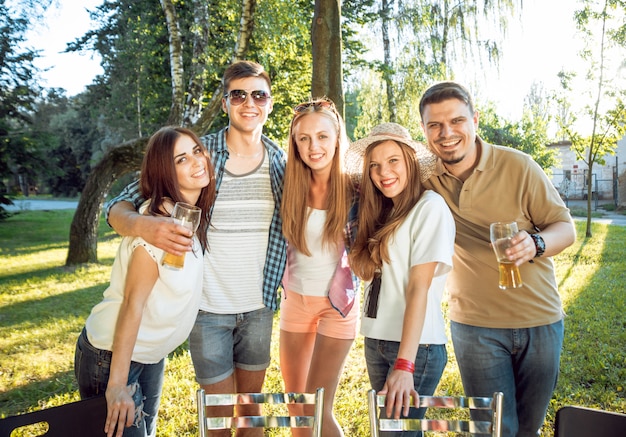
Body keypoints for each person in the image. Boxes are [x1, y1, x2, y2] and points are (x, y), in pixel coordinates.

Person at [105, 60, 287, 437]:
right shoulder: (201, 156)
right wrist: (143, 225)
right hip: (207, 312)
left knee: (251, 419)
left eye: (258, 95)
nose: (248, 102)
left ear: (270, 103)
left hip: (259, 307)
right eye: (238, 94)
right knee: (219, 422)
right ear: (225, 103)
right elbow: (119, 204)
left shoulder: (281, 163)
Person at [418, 81, 576, 437]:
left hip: (540, 320)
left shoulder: (519, 166)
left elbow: (564, 228)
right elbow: (378, 179)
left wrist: (535, 243)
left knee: (528, 428)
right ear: (425, 131)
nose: (447, 133)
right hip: (475, 326)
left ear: (475, 120)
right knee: (493, 429)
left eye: (457, 121)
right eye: (435, 125)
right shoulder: (424, 175)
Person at [74, 126, 216, 437]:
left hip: (149, 354)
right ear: (165, 172)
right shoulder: (159, 227)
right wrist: (116, 385)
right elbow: (133, 304)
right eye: (181, 159)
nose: (196, 161)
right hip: (111, 358)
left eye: (196, 151)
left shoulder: (188, 217)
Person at [346, 123, 455, 436]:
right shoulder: (385, 212)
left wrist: (405, 365)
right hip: (377, 340)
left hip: (413, 349)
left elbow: (418, 289)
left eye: (393, 160)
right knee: (388, 432)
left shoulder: (429, 208)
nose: (383, 172)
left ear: (410, 161)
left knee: (399, 434)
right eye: (375, 165)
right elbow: (368, 274)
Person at [279, 98, 359, 437]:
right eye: (304, 139)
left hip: (336, 307)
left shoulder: (357, 187)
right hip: (295, 302)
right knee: (297, 407)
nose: (314, 147)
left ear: (337, 137)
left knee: (316, 408)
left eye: (323, 137)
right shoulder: (286, 184)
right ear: (295, 144)